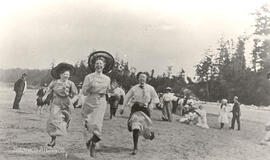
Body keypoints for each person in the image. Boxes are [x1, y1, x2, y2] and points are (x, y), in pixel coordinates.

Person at [81, 51, 114, 157]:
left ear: (104, 66)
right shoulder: (89, 77)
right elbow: (84, 92)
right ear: (94, 65)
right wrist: (89, 87)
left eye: (101, 64)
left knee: (98, 126)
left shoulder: (107, 79)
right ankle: (89, 140)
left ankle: (93, 147)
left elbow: (108, 91)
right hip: (90, 101)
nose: (99, 65)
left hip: (101, 102)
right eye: (97, 64)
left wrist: (112, 90)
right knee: (89, 124)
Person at [119, 72, 159, 155]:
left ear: (146, 79)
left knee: (146, 133)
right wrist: (122, 107)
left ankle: (150, 134)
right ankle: (135, 147)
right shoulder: (134, 88)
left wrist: (151, 105)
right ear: (138, 79)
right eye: (140, 77)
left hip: (145, 110)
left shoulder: (150, 88)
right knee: (135, 127)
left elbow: (156, 99)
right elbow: (127, 97)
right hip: (136, 109)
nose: (142, 79)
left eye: (144, 77)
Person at [42, 63, 78, 147]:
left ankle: (66, 123)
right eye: (65, 73)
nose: (66, 75)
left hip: (67, 104)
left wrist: (72, 101)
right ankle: (53, 140)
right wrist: (45, 95)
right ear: (60, 74)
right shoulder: (55, 82)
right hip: (56, 103)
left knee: (65, 119)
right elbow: (49, 89)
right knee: (52, 121)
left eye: (68, 74)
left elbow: (76, 94)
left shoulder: (71, 83)